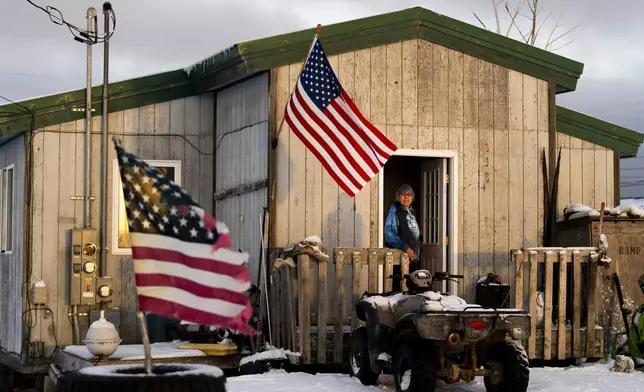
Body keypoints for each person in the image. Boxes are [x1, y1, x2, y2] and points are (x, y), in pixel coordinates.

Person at [385, 184, 420, 274]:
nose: (406, 197)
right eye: (403, 195)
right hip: (399, 258)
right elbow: (389, 235)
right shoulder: (395, 210)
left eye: (409, 195)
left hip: (412, 259)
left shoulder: (412, 212)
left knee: (413, 285)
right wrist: (406, 248)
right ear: (398, 197)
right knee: (399, 286)